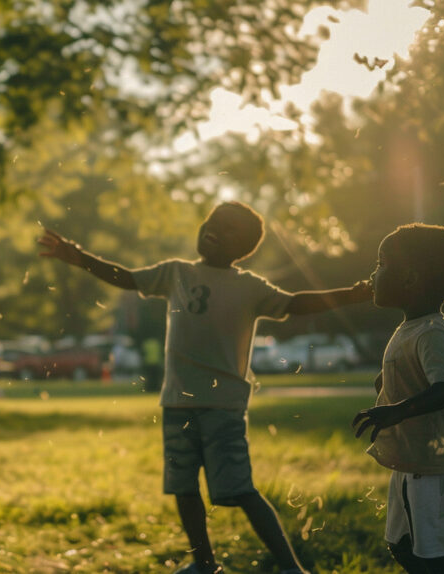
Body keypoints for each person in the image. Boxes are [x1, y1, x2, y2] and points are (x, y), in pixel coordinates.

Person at [39, 201, 372, 574]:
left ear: (243, 248)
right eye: (213, 221)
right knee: (183, 487)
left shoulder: (249, 287)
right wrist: (79, 256)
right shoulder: (176, 273)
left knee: (241, 489)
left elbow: (296, 304)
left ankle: (291, 568)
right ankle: (205, 564)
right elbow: (127, 278)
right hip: (177, 403)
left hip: (222, 406)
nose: (214, 228)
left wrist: (349, 295)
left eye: (228, 228)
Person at [352, 224, 444, 574]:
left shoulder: (433, 330)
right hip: (413, 463)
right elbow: (407, 377)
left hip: (433, 469)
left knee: (430, 559)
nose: (374, 273)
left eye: (382, 263)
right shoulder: (410, 328)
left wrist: (397, 411)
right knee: (402, 548)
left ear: (409, 279)